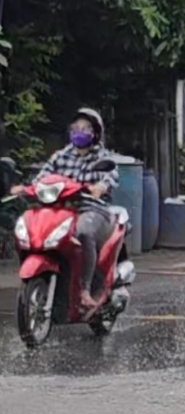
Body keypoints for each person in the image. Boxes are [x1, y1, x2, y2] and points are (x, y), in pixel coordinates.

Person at [12, 108, 119, 313]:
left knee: (83, 233)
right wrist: (26, 189)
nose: (80, 131)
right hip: (60, 208)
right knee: (32, 226)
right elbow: (43, 176)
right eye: (76, 128)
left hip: (92, 209)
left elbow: (111, 176)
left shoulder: (102, 156)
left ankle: (85, 290)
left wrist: (100, 187)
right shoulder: (61, 155)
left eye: (85, 128)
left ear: (95, 133)